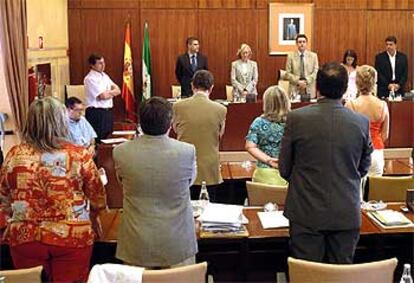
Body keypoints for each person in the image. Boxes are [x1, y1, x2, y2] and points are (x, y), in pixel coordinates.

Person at [0, 97, 106, 282]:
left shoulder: (14, 155)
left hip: (25, 237)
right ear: (61, 121)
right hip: (72, 236)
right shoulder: (79, 155)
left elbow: (4, 199)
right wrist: (95, 215)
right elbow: (97, 196)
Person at [279, 62, 373, 264]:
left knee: (308, 275)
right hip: (346, 212)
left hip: (306, 212)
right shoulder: (361, 122)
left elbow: (284, 168)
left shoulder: (297, 119)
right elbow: (363, 168)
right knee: (340, 275)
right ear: (346, 88)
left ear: (318, 88)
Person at [113, 97, 197, 268]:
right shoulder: (186, 152)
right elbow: (188, 182)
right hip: (177, 242)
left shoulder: (120, 152)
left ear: (139, 122)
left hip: (136, 243)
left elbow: (122, 183)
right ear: (170, 123)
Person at [173, 70, 227, 200]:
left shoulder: (177, 106)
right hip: (210, 169)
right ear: (211, 87)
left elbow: (175, 130)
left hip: (185, 166)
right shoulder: (221, 109)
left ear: (192, 86)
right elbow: (220, 134)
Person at [346, 65, 389, 177]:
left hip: (357, 153)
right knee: (376, 191)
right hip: (377, 152)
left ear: (357, 82)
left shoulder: (351, 105)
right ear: (374, 82)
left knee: (357, 191)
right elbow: (385, 135)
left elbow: (347, 135)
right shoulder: (383, 105)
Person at [245, 86, 290, 185]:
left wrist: (268, 160)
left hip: (264, 174)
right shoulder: (294, 121)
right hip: (288, 173)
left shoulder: (259, 122)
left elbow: (250, 146)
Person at [84, 53, 121, 142]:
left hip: (107, 112)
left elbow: (118, 90)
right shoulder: (90, 79)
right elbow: (103, 96)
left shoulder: (105, 75)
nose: (103, 65)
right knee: (100, 140)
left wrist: (109, 93)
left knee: (109, 138)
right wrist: (111, 93)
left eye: (103, 62)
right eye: (100, 63)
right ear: (92, 65)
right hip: (97, 113)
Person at [283, 34, 319, 99]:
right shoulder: (290, 56)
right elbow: (287, 74)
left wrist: (306, 81)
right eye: (300, 42)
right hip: (295, 87)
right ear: (296, 44)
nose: (302, 44)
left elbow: (316, 72)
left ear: (306, 43)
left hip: (309, 87)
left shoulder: (313, 56)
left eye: (304, 42)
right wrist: (298, 81)